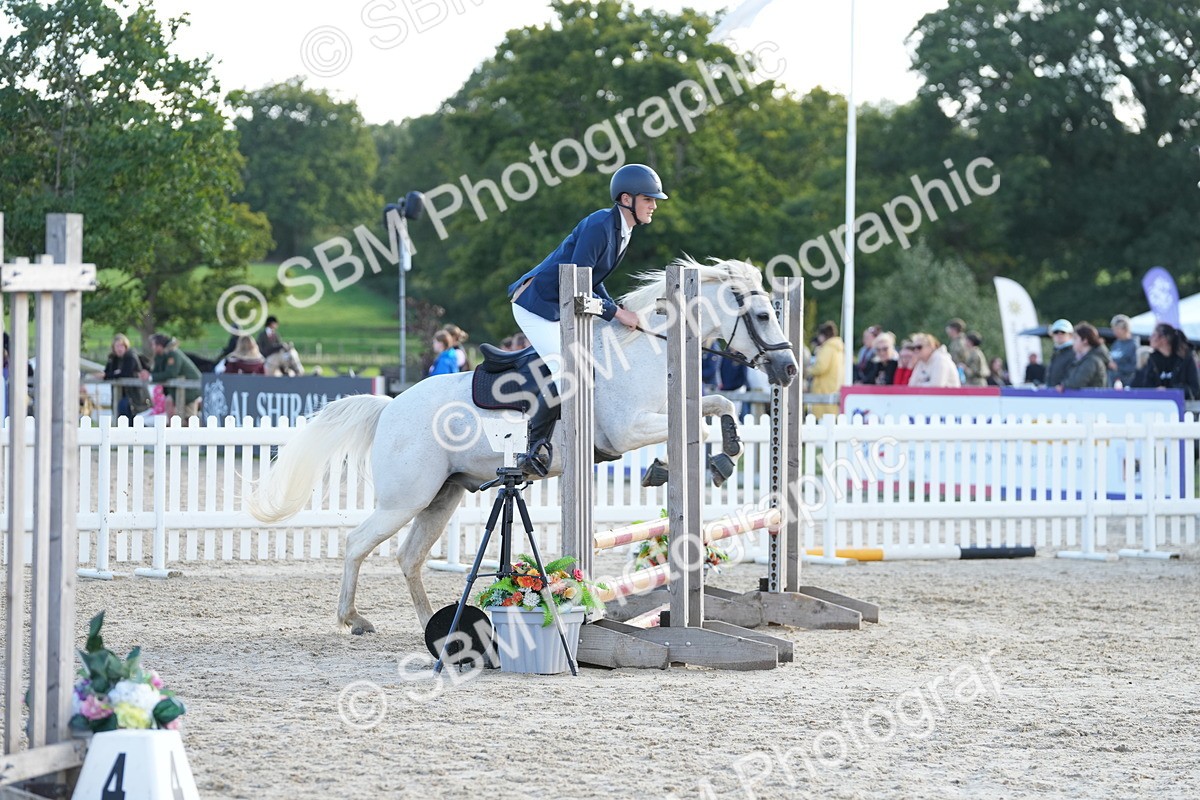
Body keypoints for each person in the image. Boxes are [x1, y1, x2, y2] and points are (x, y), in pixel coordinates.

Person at [505, 162, 666, 473]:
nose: (654, 205)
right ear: (626, 199)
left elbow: (591, 280)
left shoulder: (622, 230)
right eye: (648, 199)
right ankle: (532, 448)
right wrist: (617, 312)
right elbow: (578, 289)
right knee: (569, 370)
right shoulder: (599, 226)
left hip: (563, 302)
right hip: (537, 306)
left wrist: (613, 309)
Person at [1131, 323, 1200, 400]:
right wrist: (1155, 391)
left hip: (1184, 407)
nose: (1149, 338)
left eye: (1154, 335)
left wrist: (1169, 391)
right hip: (1156, 405)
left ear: (1164, 339)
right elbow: (1141, 386)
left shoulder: (1186, 358)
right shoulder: (1151, 358)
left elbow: (1194, 389)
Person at [141, 334, 203, 417]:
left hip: (190, 390)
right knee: (170, 403)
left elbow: (171, 373)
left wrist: (150, 377)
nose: (152, 347)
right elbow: (156, 372)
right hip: (178, 390)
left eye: (153, 345)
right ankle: (171, 427)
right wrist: (148, 374)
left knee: (189, 419)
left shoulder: (172, 354)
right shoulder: (160, 356)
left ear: (159, 345)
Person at [97, 333, 150, 421]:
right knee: (119, 415)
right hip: (119, 393)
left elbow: (125, 373)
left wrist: (111, 374)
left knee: (128, 414)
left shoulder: (131, 357)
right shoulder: (113, 359)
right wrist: (112, 374)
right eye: (117, 346)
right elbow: (107, 373)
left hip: (133, 395)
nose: (119, 348)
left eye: (121, 345)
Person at [808, 321, 844, 416]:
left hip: (823, 389)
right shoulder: (838, 348)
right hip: (833, 387)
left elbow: (820, 367)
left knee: (822, 418)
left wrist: (808, 371)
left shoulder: (827, 348)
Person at [1057, 323, 1108, 390]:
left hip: (1092, 399)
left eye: (1075, 338)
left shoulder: (1092, 360)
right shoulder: (1082, 359)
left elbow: (1077, 383)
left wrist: (1063, 385)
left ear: (1085, 340)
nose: (1072, 342)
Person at [1107, 314, 1140, 387]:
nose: (1114, 332)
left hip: (1127, 384)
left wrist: (1118, 367)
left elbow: (1135, 367)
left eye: (1116, 329)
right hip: (1112, 383)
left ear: (1125, 329)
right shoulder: (1116, 344)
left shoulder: (1133, 345)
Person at [1045, 319, 1076, 388]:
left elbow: (1073, 376)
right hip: (1054, 393)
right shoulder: (1056, 352)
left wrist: (1063, 385)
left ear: (1070, 335)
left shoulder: (1074, 352)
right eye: (1056, 332)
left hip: (1066, 394)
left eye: (1063, 332)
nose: (1059, 334)